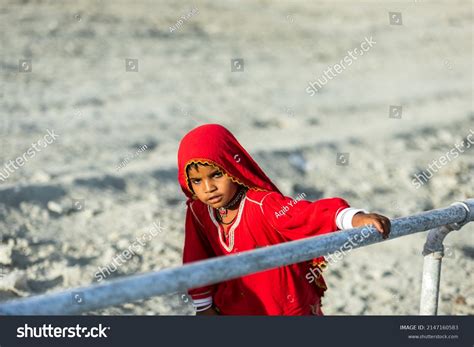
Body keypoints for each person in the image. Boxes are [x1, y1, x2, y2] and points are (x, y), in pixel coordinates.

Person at [178, 124, 391, 315]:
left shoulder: (262, 204)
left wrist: (352, 218)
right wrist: (203, 305)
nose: (208, 188)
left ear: (233, 167)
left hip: (284, 306)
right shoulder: (198, 211)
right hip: (235, 307)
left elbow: (305, 215)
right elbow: (196, 257)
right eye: (197, 181)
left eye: (216, 175)